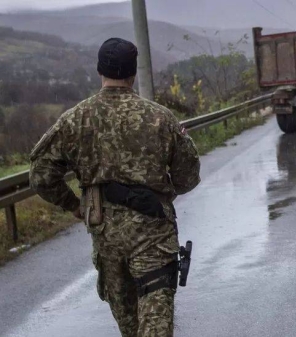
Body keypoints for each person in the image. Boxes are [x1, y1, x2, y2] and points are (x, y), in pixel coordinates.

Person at [29, 37, 201, 337]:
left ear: (100, 71)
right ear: (132, 73)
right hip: (153, 234)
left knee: (130, 327)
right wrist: (166, 192)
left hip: (107, 236)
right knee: (156, 323)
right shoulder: (160, 117)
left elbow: (41, 175)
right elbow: (188, 176)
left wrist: (74, 205)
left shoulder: (74, 120)